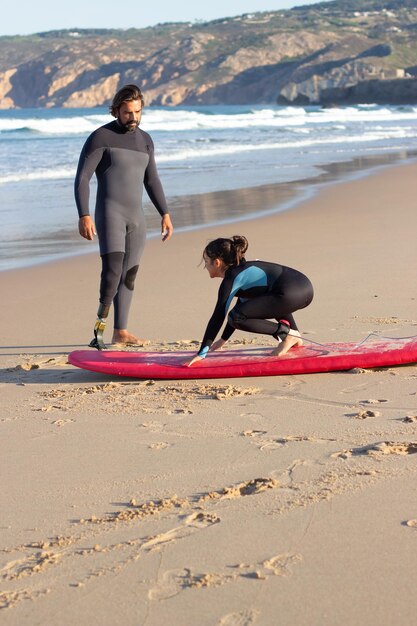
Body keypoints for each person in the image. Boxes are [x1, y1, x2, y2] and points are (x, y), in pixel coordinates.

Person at [74, 84, 173, 350]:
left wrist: (165, 212)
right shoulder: (100, 137)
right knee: (112, 271)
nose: (133, 117)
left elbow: (152, 180)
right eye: (128, 112)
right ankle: (99, 330)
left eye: (137, 112)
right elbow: (82, 178)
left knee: (129, 275)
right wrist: (84, 214)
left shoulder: (146, 140)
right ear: (117, 109)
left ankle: (121, 331)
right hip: (110, 214)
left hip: (136, 218)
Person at [184, 235, 313, 367]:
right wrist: (223, 340)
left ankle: (288, 334)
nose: (205, 266)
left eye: (206, 262)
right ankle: (296, 337)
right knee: (265, 300)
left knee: (236, 317)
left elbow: (219, 316)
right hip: (304, 289)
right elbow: (244, 305)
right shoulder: (242, 271)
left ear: (217, 262)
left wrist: (201, 353)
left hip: (290, 293)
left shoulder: (232, 278)